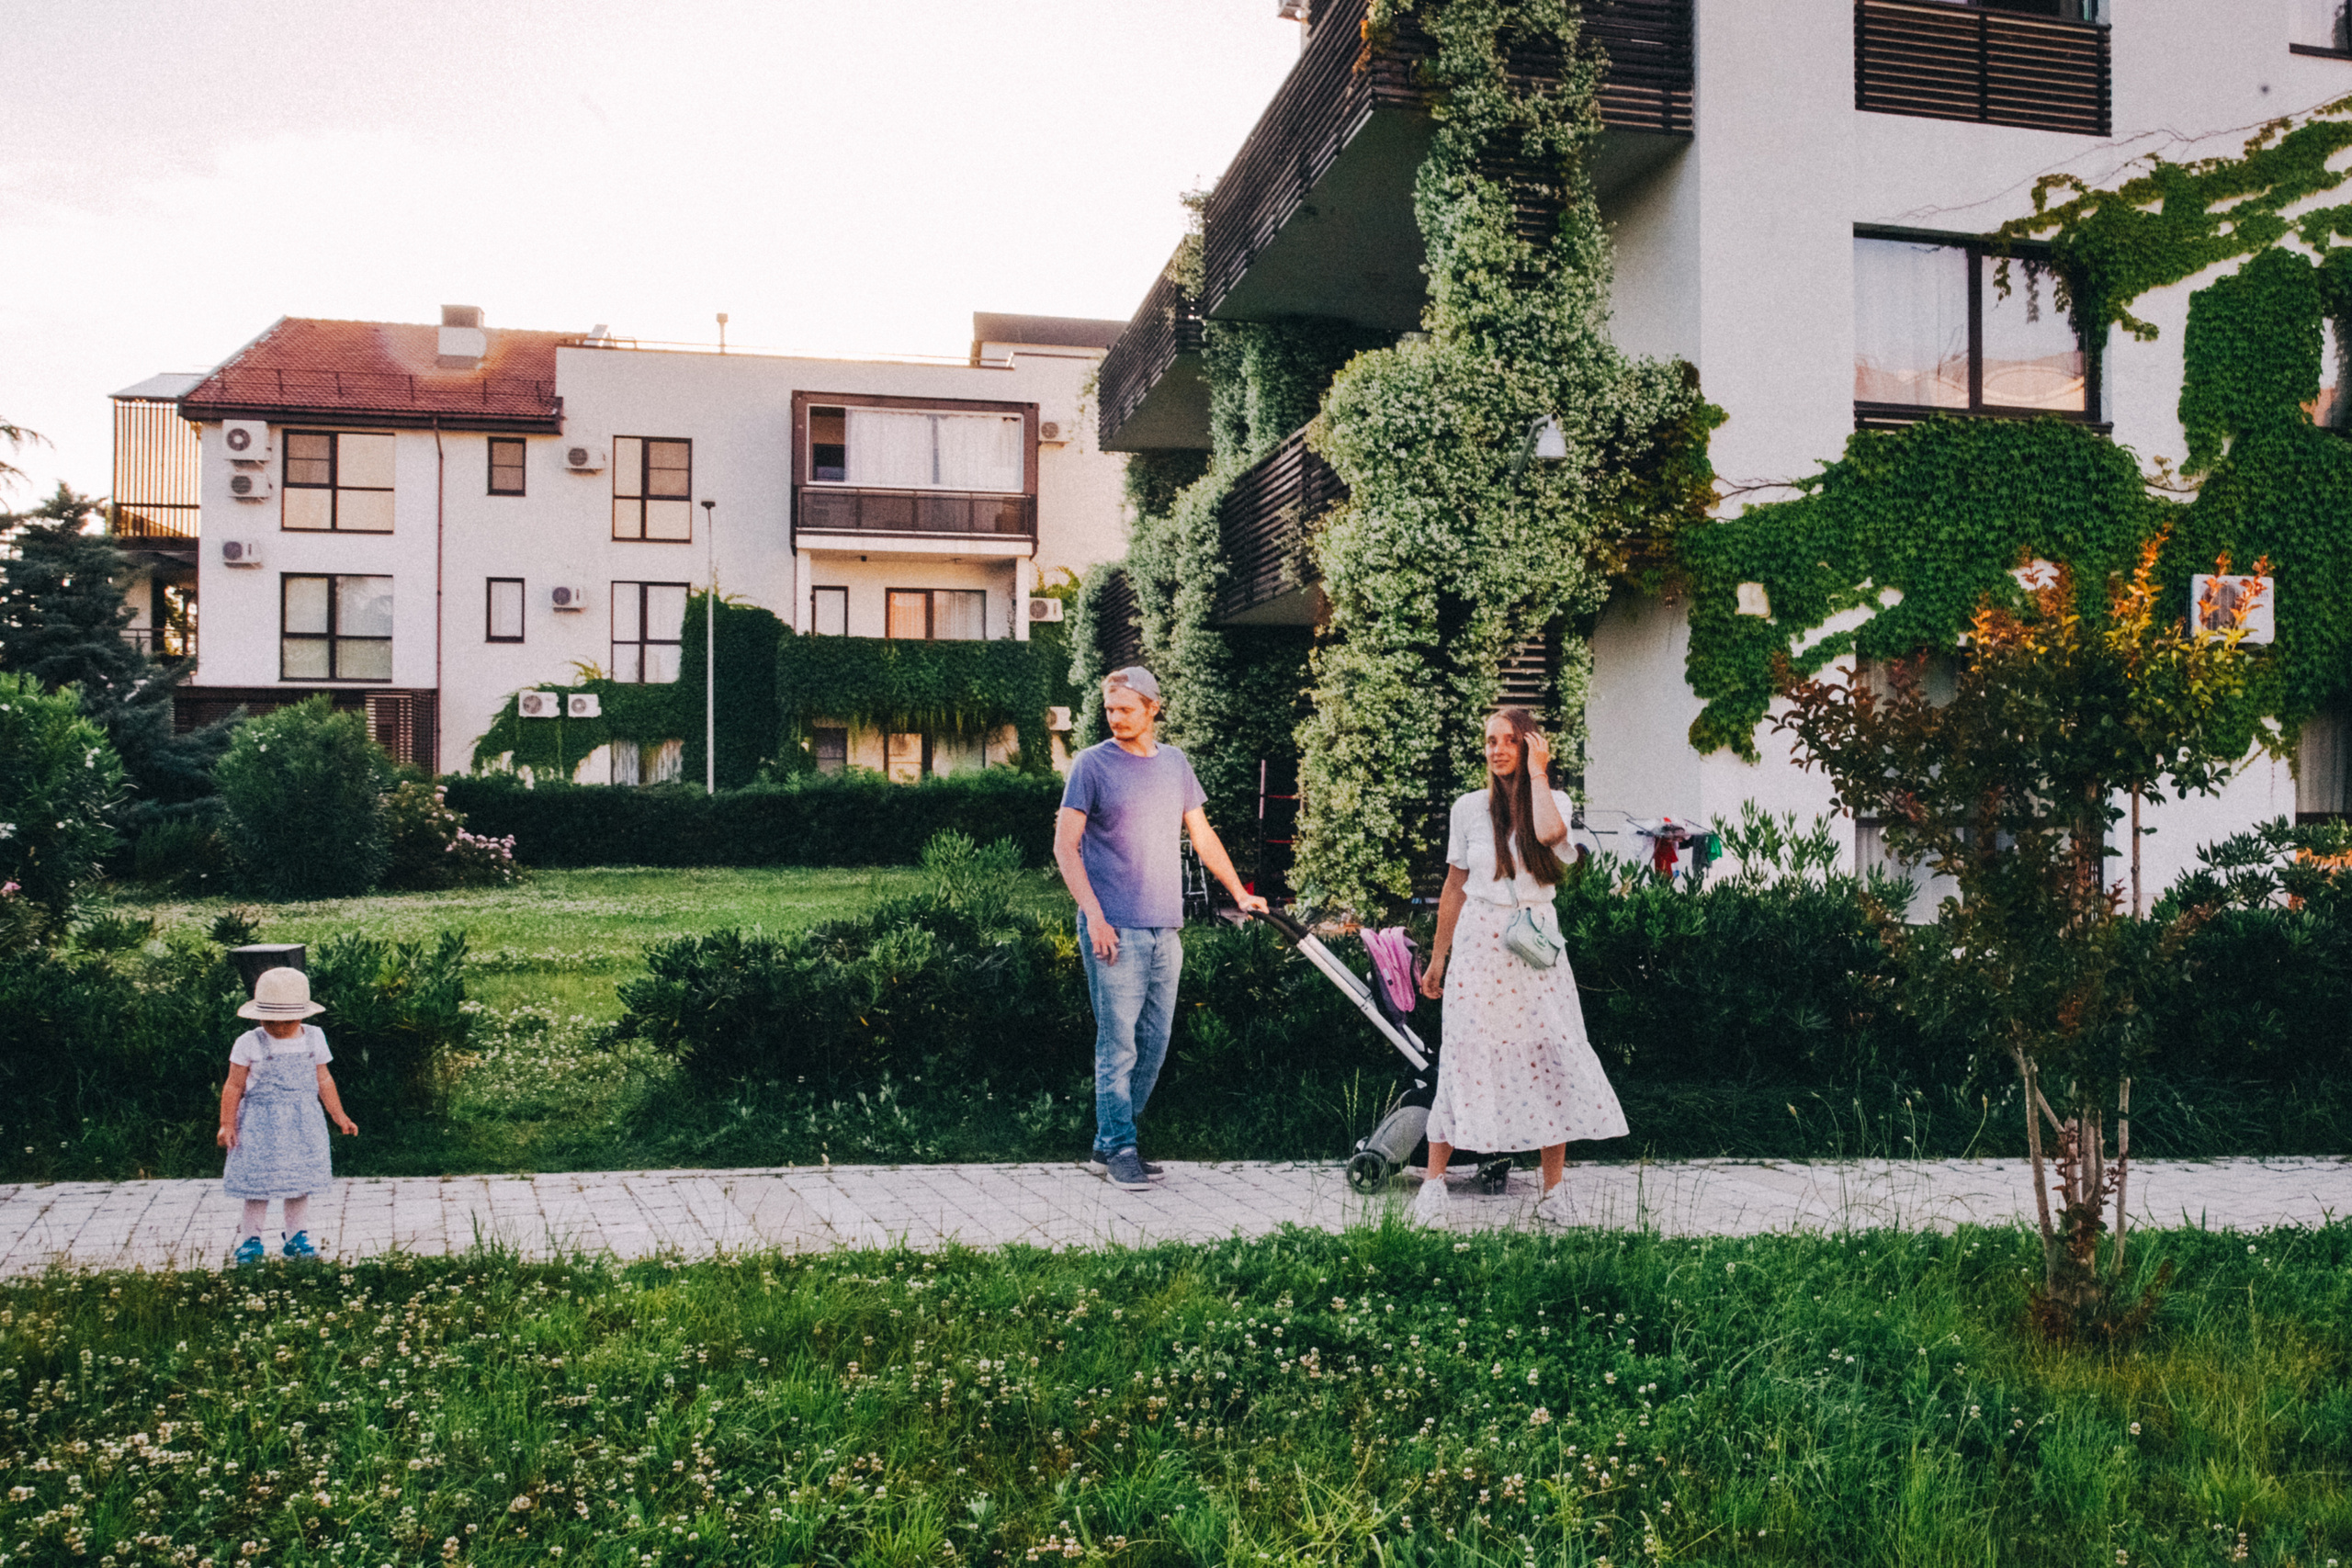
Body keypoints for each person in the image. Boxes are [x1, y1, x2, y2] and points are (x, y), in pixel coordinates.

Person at [1055, 666, 1267, 1190]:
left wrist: (1239, 892)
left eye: (1126, 708)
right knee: (1118, 1043)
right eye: (1110, 710)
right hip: (1115, 929)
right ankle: (1122, 1145)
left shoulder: (1175, 765)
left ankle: (1108, 1146)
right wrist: (1095, 916)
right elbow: (1065, 846)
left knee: (1153, 1041)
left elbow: (1203, 835)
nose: (1116, 718)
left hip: (1164, 928)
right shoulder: (1091, 765)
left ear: (1153, 707)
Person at [1414, 706, 1625, 1225]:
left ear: (1529, 745)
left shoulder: (1553, 800)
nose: (1498, 749)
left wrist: (1538, 773)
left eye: (1510, 740)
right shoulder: (1467, 808)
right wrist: (1438, 957)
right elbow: (1453, 887)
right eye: (1491, 741)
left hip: (1534, 943)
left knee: (1549, 1054)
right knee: (1463, 1053)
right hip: (1480, 943)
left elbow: (1553, 837)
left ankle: (1553, 1195)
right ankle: (1433, 1187)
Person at [219, 966, 357, 1265]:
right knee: (258, 1184)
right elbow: (233, 1085)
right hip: (260, 1126)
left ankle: (296, 1237)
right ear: (258, 1015)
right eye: (271, 1020)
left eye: (287, 1021)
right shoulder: (249, 1042)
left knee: (299, 1181)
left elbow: (324, 1080)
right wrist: (227, 1123)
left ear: (303, 1016)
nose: (279, 1027)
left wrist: (339, 1115)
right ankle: (250, 1241)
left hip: (302, 1123)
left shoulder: (314, 1038)